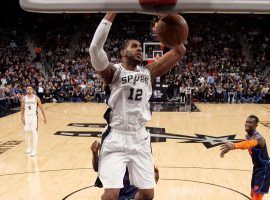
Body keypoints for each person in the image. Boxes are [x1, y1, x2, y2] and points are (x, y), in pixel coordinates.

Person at [89, 13, 186, 200]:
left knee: (148, 194)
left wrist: (165, 19)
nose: (139, 49)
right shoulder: (113, 72)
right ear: (123, 52)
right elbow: (95, 49)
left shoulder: (148, 72)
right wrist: (112, 11)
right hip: (116, 135)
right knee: (110, 195)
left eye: (141, 47)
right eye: (134, 46)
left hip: (140, 136)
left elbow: (179, 51)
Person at [220, 115, 270, 200]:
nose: (247, 124)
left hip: (264, 169)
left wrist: (234, 146)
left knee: (257, 195)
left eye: (250, 122)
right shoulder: (248, 136)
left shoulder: (259, 139)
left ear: (256, 125)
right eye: (247, 121)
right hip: (257, 167)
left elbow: (250, 144)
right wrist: (231, 148)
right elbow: (245, 144)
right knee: (252, 193)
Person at [91, 140, 159, 200]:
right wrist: (95, 154)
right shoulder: (111, 143)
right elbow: (96, 168)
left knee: (148, 194)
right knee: (107, 197)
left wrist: (154, 176)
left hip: (135, 194)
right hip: (117, 195)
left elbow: (153, 175)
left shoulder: (141, 143)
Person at [21, 85, 47, 157]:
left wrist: (44, 117)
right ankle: (28, 148)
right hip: (27, 117)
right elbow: (22, 108)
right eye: (28, 89)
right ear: (26, 90)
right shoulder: (24, 98)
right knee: (27, 132)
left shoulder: (36, 98)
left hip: (34, 117)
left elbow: (41, 108)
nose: (29, 90)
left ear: (32, 90)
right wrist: (21, 117)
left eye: (30, 89)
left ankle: (34, 149)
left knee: (34, 133)